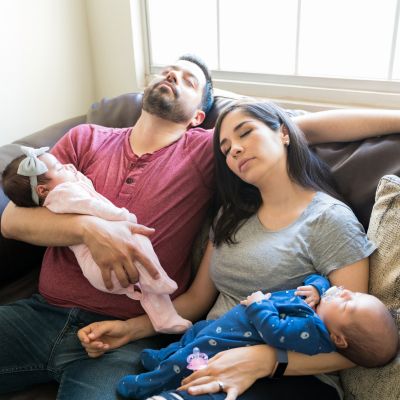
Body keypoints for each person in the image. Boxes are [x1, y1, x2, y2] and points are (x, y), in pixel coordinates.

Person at [2, 53, 400, 400]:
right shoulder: (85, 138)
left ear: (198, 117)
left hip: (156, 346)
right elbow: (11, 219)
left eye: (188, 78)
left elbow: (302, 129)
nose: (172, 76)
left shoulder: (208, 151)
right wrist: (91, 231)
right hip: (49, 313)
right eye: (167, 71)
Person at [1, 146, 191, 334]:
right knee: (138, 240)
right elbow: (93, 206)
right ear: (42, 190)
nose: (68, 166)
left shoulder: (60, 192)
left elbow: (84, 187)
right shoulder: (62, 194)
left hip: (101, 273)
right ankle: (157, 280)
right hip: (101, 265)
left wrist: (69, 173)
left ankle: (164, 318)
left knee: (145, 288)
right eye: (59, 168)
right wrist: (122, 215)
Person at [115, 273, 398, 399]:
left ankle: (147, 383)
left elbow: (275, 333)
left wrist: (259, 304)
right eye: (356, 294)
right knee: (193, 335)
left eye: (349, 303)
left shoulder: (312, 333)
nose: (345, 291)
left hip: (232, 339)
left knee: (190, 358)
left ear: (339, 339)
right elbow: (319, 278)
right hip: (220, 325)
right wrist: (316, 286)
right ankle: (161, 357)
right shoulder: (320, 303)